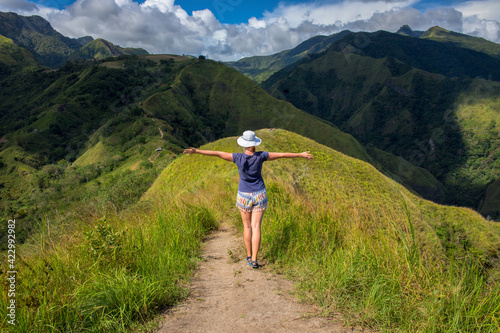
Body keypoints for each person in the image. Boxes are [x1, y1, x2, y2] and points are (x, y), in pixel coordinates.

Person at [183, 130, 314, 268]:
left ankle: (249, 255)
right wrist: (301, 154)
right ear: (254, 144)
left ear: (244, 144)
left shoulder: (237, 158)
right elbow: (281, 155)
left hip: (244, 195)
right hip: (259, 194)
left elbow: (217, 153)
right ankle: (255, 259)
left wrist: (197, 151)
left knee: (247, 226)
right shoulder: (261, 156)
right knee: (256, 227)